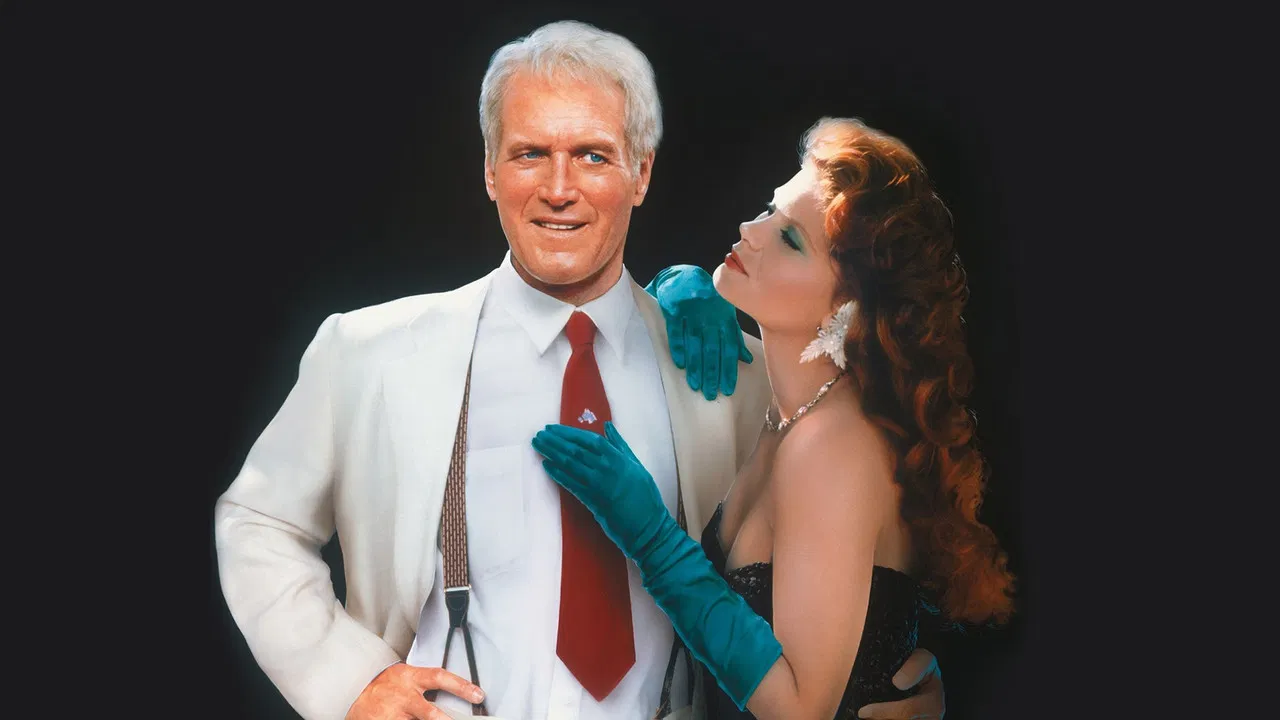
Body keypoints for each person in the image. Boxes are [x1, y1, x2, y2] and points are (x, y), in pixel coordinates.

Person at [214, 20, 947, 720]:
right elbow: (257, 520)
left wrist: (885, 676)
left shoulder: (741, 380)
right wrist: (351, 682)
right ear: (489, 170)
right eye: (529, 154)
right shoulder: (368, 353)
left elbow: (826, 584)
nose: (558, 189)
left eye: (594, 156)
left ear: (642, 173)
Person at [534, 116, 1015, 718]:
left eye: (790, 239)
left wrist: (650, 535)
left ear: (849, 311)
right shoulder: (782, 410)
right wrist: (676, 283)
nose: (750, 230)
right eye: (769, 209)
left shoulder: (832, 443)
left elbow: (799, 711)